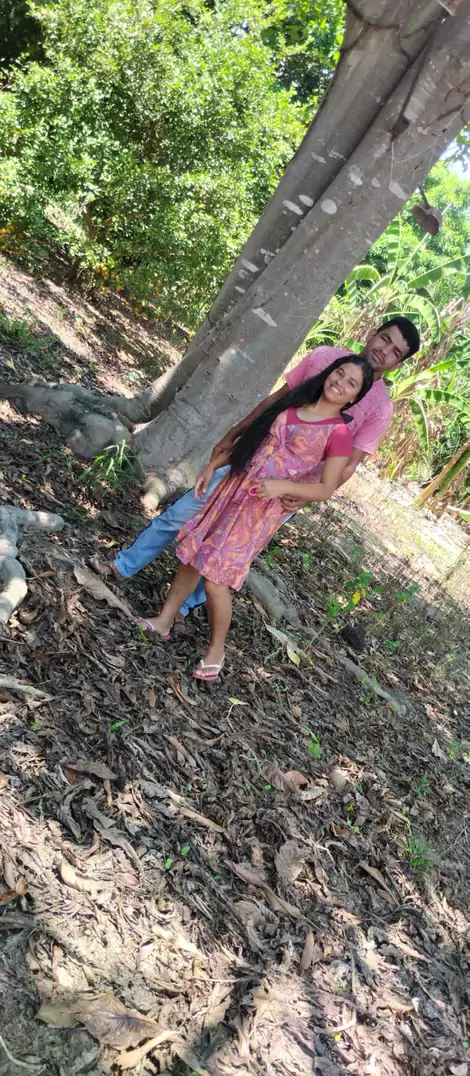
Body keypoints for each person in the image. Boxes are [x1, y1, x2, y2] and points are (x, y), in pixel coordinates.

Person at [94, 316, 420, 615]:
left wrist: (304, 497)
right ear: (373, 333)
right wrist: (234, 434)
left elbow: (348, 465)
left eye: (396, 352)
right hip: (247, 464)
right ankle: (123, 566)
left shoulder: (380, 408)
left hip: (280, 497)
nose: (384, 351)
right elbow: (275, 401)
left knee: (228, 555)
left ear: (399, 364)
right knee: (181, 514)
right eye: (385, 339)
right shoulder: (325, 359)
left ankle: (181, 611)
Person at [137, 354, 374, 680]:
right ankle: (164, 620)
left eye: (351, 383)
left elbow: (326, 488)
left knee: (216, 579)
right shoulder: (295, 405)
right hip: (232, 490)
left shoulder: (339, 434)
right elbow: (254, 447)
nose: (340, 383)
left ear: (355, 397)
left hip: (260, 511)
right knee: (194, 556)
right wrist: (213, 466)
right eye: (340, 373)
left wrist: (283, 486)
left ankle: (216, 651)